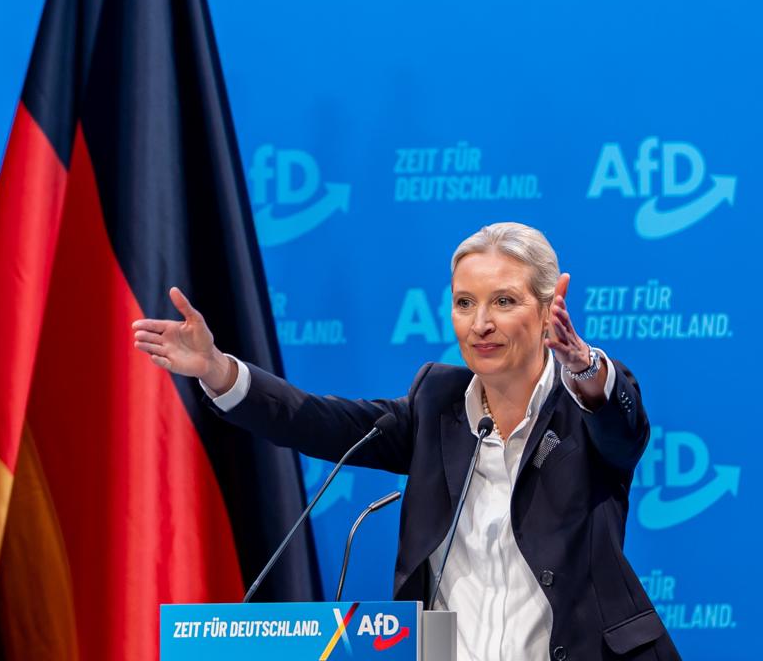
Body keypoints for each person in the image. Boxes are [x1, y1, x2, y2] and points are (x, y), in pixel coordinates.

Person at [132, 221, 678, 661]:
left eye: (504, 302)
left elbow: (623, 429)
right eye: (465, 303)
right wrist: (218, 370)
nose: (480, 323)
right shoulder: (435, 402)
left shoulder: (587, 406)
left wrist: (584, 366)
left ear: (546, 313)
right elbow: (317, 421)